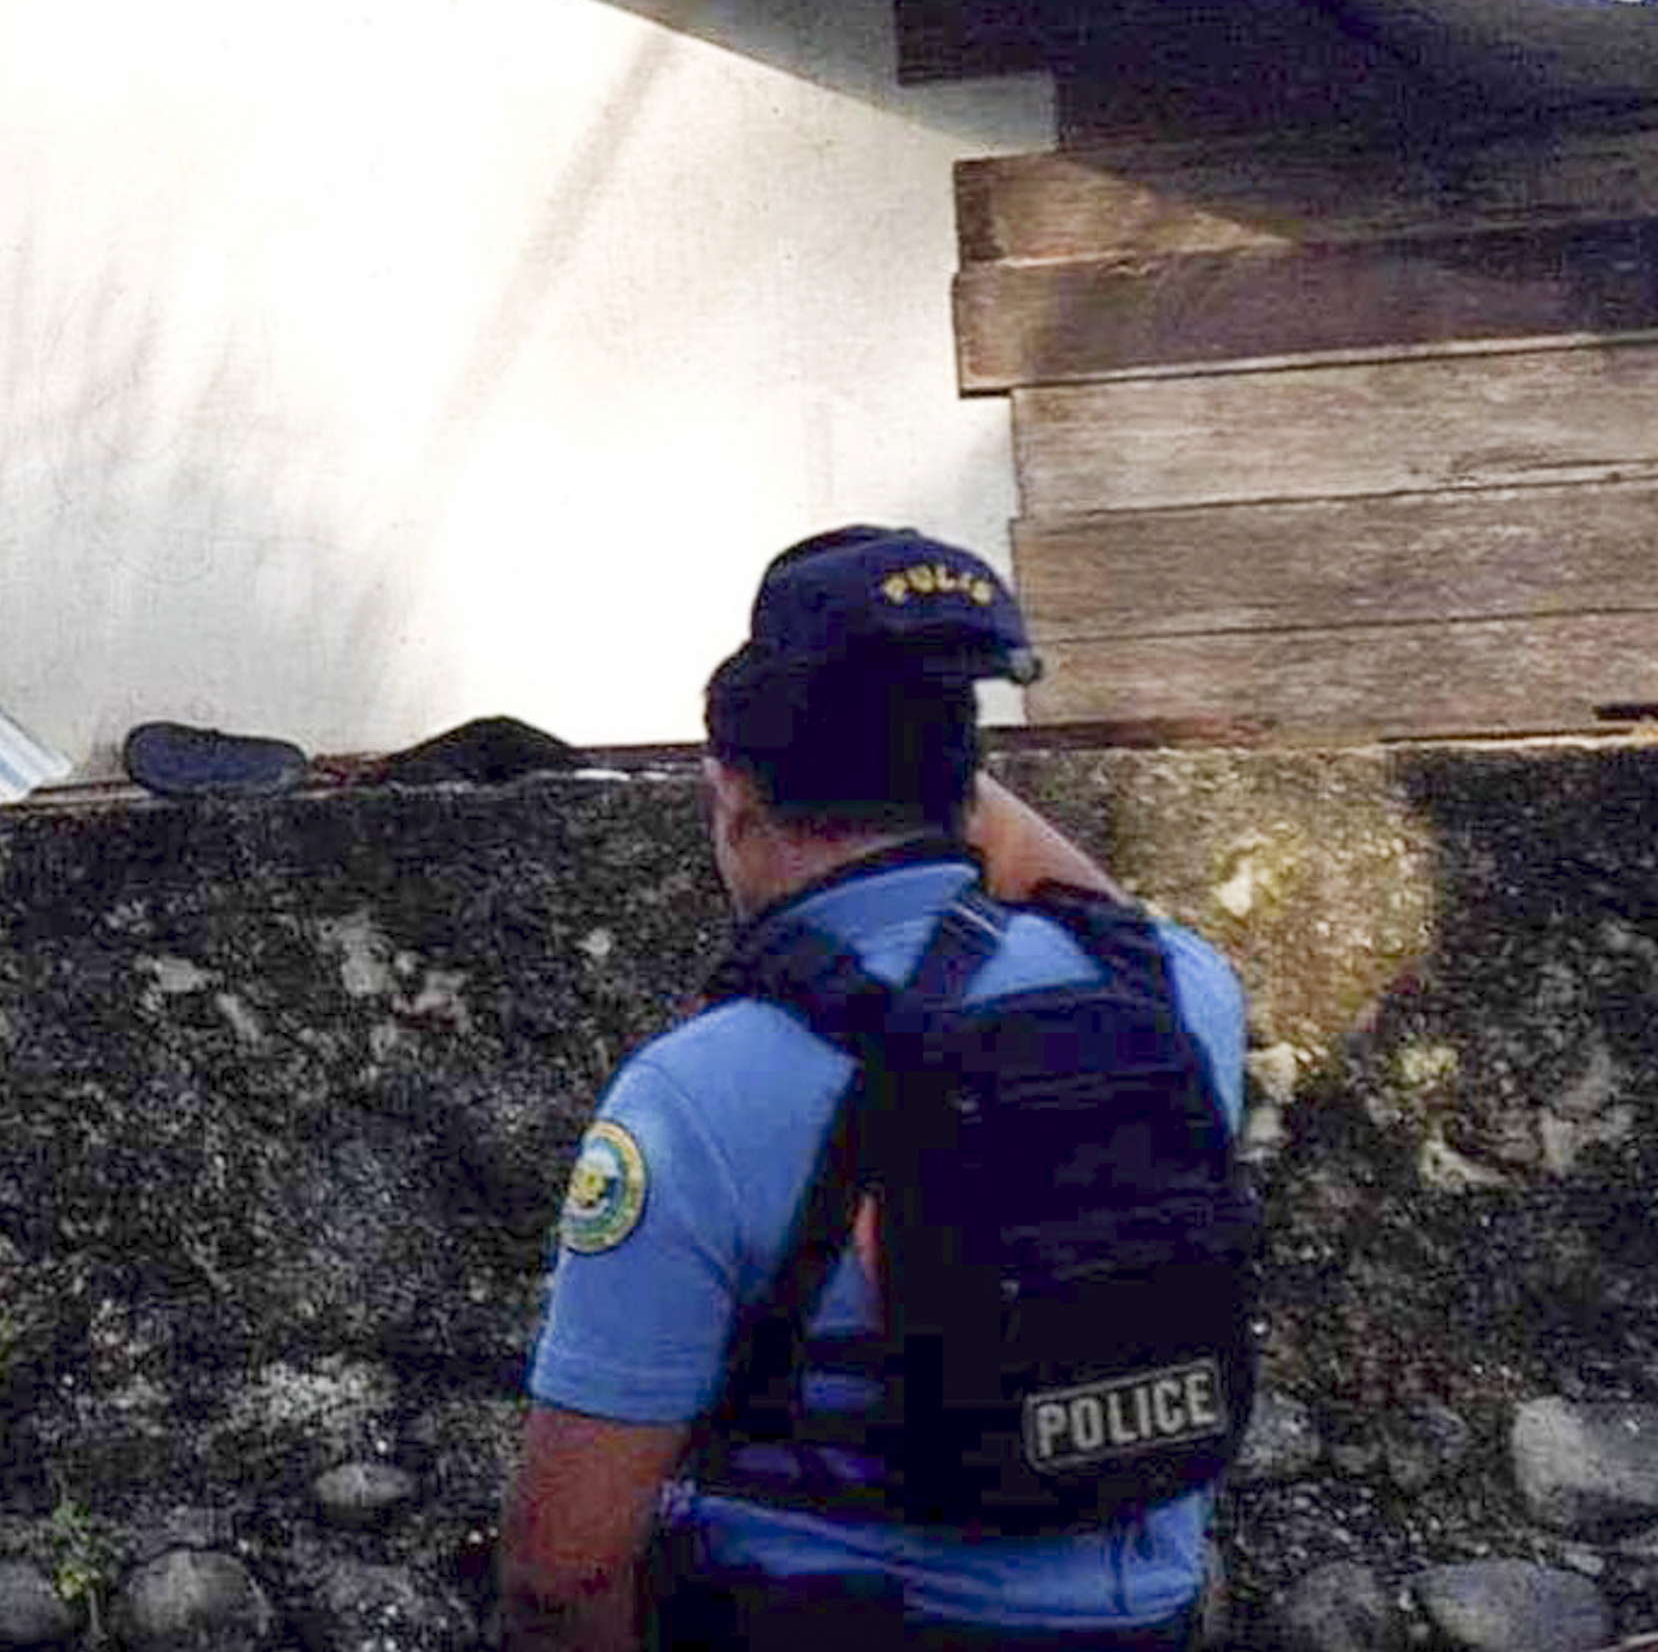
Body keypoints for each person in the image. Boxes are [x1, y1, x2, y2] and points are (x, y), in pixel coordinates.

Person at [499, 527, 1252, 1652]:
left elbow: (560, 1572)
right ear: (959, 778)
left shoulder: (695, 1094)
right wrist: (927, 740)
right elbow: (1080, 895)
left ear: (733, 795)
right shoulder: (1179, 996)